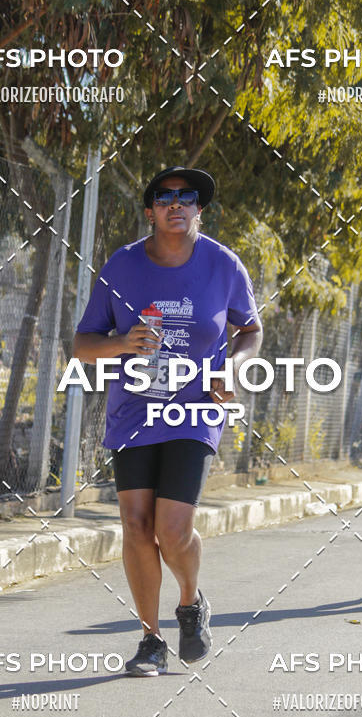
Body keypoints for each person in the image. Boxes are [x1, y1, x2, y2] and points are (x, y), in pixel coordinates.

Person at [72, 165, 263, 674]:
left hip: (196, 407)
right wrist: (121, 343)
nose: (176, 204)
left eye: (187, 196)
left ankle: (190, 601)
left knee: (172, 530)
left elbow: (249, 330)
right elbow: (83, 344)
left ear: (200, 207)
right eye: (164, 196)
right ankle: (150, 640)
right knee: (136, 527)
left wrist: (234, 365)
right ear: (151, 210)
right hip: (135, 408)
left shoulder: (223, 264)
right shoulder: (123, 265)